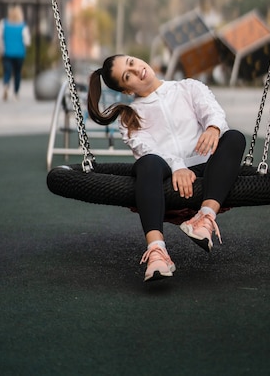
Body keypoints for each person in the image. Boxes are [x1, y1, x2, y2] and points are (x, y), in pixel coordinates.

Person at [87, 54, 246, 283]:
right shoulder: (130, 118)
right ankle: (157, 253)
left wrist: (212, 128)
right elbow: (147, 148)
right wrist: (178, 167)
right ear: (127, 90)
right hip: (166, 174)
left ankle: (204, 219)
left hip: (206, 165)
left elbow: (213, 111)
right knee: (147, 163)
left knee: (234, 138)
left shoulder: (188, 87)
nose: (136, 69)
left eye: (132, 62)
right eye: (127, 75)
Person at [0, 5, 31, 101]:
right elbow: (27, 41)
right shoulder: (23, 26)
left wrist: (0, 48)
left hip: (7, 53)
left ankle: (6, 85)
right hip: (19, 53)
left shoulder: (3, 24)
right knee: (17, 73)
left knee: (7, 71)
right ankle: (16, 93)